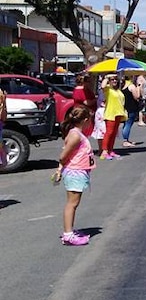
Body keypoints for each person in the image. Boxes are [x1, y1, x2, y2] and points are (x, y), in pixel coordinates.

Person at [54, 105, 96, 246]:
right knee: (72, 204)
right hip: (75, 172)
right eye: (89, 120)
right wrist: (60, 167)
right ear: (85, 120)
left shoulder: (76, 133)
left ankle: (70, 230)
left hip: (78, 171)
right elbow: (64, 155)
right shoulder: (76, 135)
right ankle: (68, 235)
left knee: (73, 204)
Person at [99, 74, 126, 160]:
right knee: (109, 133)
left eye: (115, 79)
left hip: (118, 113)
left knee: (114, 133)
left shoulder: (118, 90)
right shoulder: (108, 89)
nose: (114, 81)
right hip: (111, 113)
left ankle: (110, 150)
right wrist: (107, 77)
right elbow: (102, 86)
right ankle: (104, 151)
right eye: (112, 80)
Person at [120, 74, 141, 148]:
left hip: (125, 107)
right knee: (128, 123)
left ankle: (126, 139)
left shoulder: (122, 86)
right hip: (131, 107)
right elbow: (136, 96)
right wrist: (138, 88)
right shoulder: (131, 86)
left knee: (126, 124)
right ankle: (125, 140)